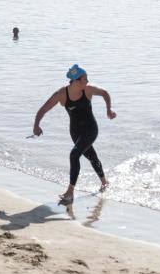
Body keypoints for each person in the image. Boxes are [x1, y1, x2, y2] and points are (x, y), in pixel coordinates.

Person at [32, 64, 115, 205]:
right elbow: (42, 110)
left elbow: (105, 93)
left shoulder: (88, 90)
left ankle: (70, 192)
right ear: (76, 81)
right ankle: (105, 182)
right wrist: (36, 125)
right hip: (75, 132)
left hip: (90, 129)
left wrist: (109, 110)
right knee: (91, 156)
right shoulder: (61, 94)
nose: (87, 81)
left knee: (74, 154)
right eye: (85, 79)